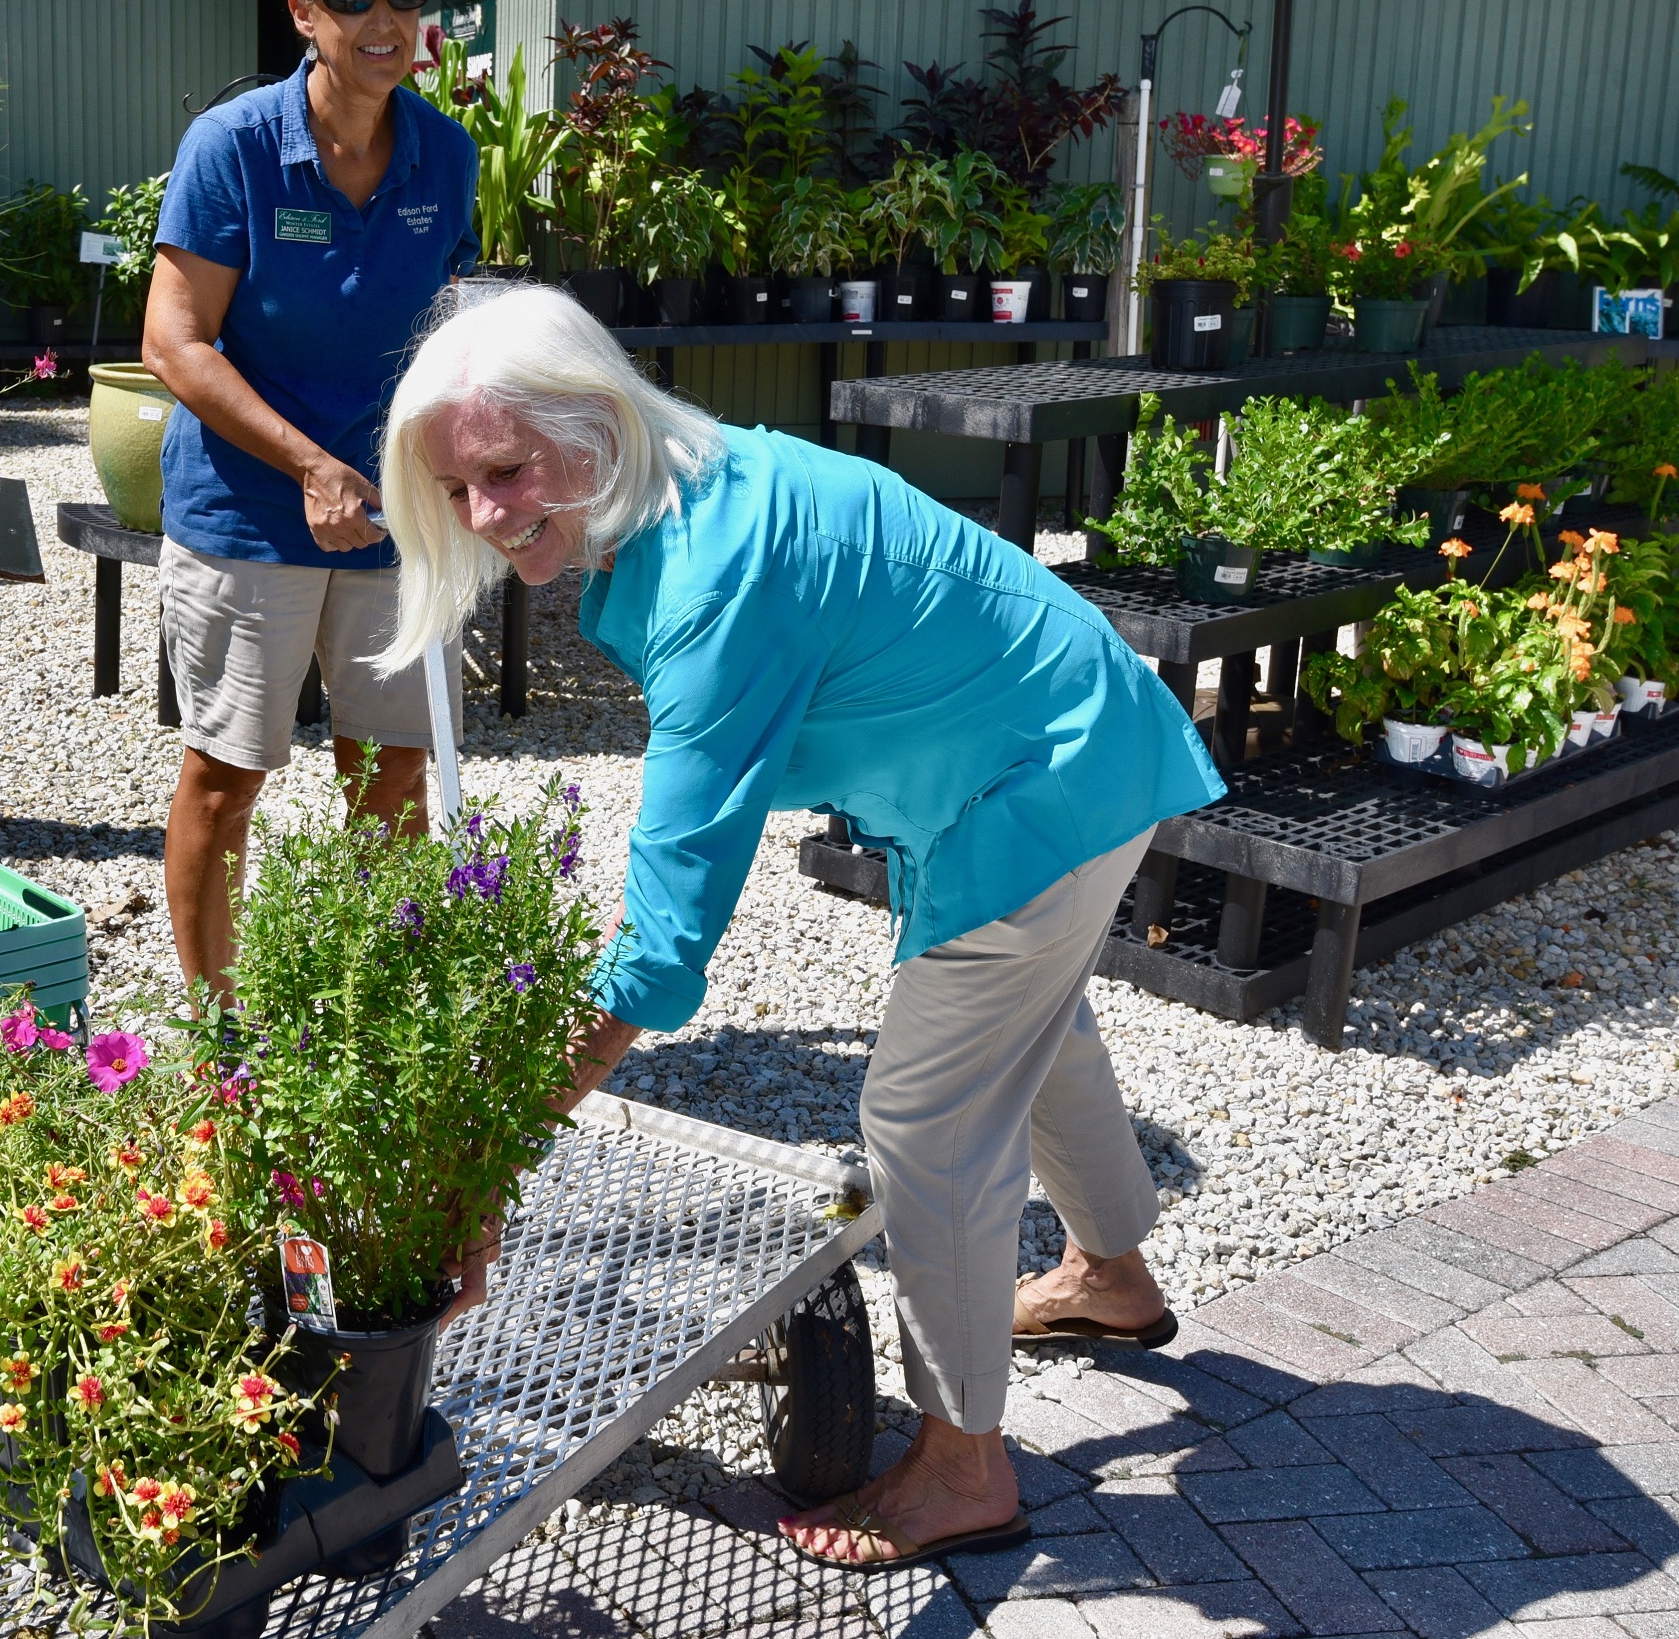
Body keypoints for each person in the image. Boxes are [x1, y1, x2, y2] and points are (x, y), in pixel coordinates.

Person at [374, 283, 1226, 1573]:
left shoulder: (712, 578)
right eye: (458, 490)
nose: (487, 515)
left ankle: (963, 1470)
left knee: (924, 1117)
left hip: (1047, 775)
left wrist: (489, 1165)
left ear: (597, 421)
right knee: (1033, 1026)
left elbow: (663, 942)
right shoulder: (686, 486)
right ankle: (1112, 1279)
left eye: (507, 468)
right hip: (1059, 744)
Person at [142, 0, 478, 988]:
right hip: (248, 512)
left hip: (395, 516)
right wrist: (310, 464)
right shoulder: (232, 148)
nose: (384, 18)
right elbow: (174, 343)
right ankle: (220, 1035)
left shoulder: (447, 156)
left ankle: (372, 1021)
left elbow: (451, 323)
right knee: (227, 777)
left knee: (390, 778)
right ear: (303, 10)